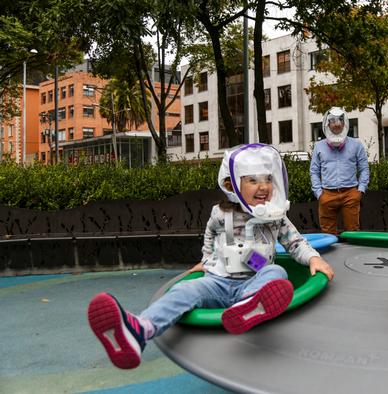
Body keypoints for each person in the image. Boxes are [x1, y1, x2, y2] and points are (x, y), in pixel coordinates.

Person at [87, 144, 335, 369]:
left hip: (253, 283)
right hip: (218, 282)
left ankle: (248, 307)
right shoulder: (219, 214)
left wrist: (313, 258)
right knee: (184, 292)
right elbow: (209, 238)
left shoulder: (276, 216)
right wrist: (206, 261)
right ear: (233, 184)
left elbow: (295, 242)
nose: (264, 186)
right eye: (253, 180)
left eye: (268, 179)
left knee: (277, 272)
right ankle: (138, 330)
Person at [310, 107, 370, 235]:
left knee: (353, 233)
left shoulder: (356, 145)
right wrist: (319, 193)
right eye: (333, 121)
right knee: (327, 234)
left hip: (350, 193)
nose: (336, 124)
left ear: (345, 123)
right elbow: (314, 170)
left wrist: (360, 190)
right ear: (328, 124)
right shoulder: (319, 146)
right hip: (327, 194)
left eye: (340, 121)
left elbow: (364, 168)